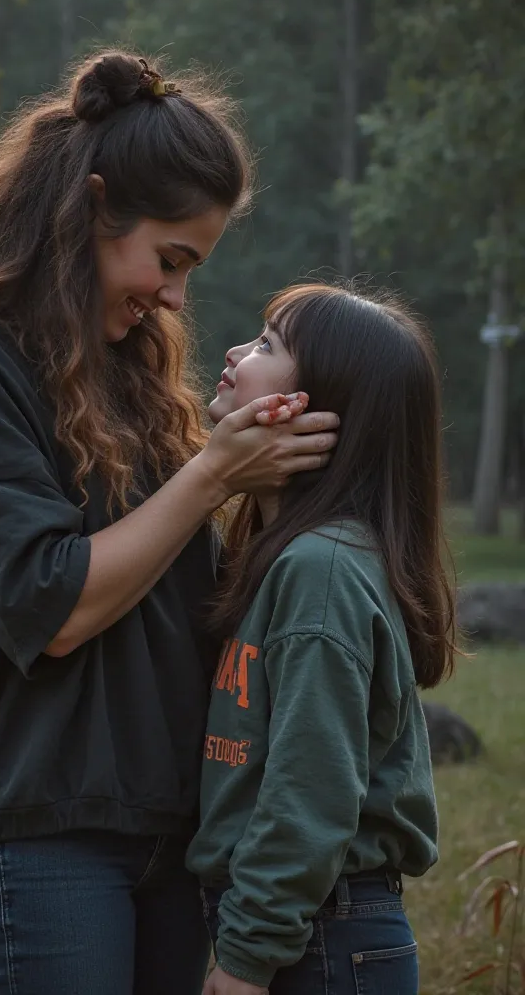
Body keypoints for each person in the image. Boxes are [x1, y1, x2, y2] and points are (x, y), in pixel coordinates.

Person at [0, 53, 338, 995]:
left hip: (176, 824)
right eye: (170, 260)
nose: (173, 298)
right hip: (44, 833)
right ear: (90, 207)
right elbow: (55, 605)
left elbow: (183, 593)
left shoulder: (133, 376)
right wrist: (210, 475)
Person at [187, 283, 461, 995]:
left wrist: (247, 956)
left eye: (269, 344)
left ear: (314, 410)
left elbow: (310, 790)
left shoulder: (322, 571)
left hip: (319, 942)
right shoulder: (288, 558)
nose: (235, 351)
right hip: (306, 928)